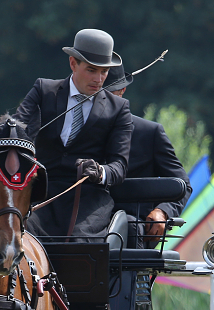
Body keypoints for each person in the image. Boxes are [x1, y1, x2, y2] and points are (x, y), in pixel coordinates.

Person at [16, 29, 133, 239]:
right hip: (41, 193)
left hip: (88, 199)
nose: (99, 79)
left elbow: (119, 166)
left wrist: (100, 171)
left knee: (79, 244)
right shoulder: (43, 90)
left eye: (104, 72)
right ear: (73, 63)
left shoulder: (119, 108)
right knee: (22, 234)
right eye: (91, 70)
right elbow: (18, 132)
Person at [103, 64, 193, 247]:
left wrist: (163, 211)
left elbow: (183, 184)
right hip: (82, 217)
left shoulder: (149, 133)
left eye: (107, 94)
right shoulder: (76, 129)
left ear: (122, 91)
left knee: (127, 225)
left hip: (129, 227)